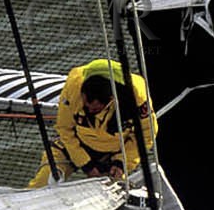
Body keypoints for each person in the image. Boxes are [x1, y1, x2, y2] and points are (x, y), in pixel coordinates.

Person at [29, 58, 157, 188]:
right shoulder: (73, 87)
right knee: (45, 181)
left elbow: (146, 136)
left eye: (95, 109)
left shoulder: (138, 98)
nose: (89, 110)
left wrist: (121, 163)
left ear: (111, 100)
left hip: (114, 153)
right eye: (86, 105)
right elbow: (64, 128)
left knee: (115, 192)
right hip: (74, 145)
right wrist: (86, 165)